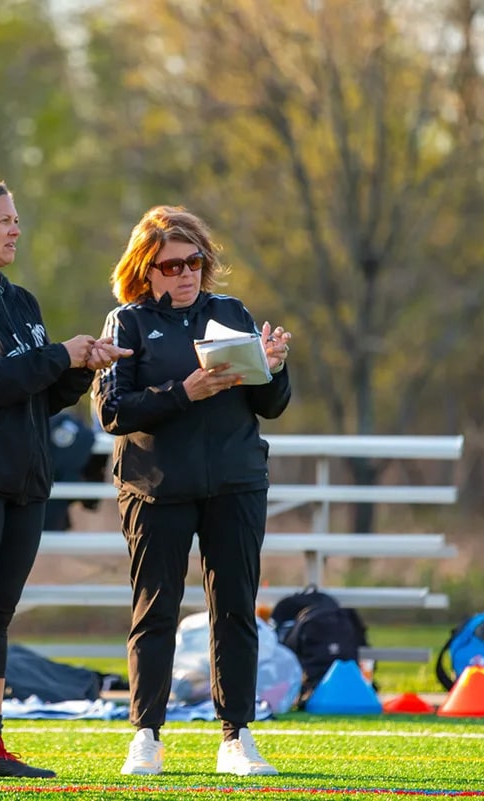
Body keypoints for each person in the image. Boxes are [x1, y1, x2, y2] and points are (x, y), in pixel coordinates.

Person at [0, 179, 129, 780]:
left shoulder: (21, 300)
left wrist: (80, 366)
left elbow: (38, 396)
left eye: (16, 219)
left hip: (25, 477)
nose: (16, 229)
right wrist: (59, 356)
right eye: (4, 220)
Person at [93, 205, 292, 778]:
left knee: (235, 609)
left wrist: (273, 367)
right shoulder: (126, 323)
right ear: (145, 269)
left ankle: (237, 736)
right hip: (155, 487)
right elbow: (112, 410)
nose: (185, 273)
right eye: (171, 265)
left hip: (235, 481)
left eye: (194, 261)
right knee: (155, 610)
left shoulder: (232, 313)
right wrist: (185, 392)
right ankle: (146, 735)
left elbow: (271, 406)